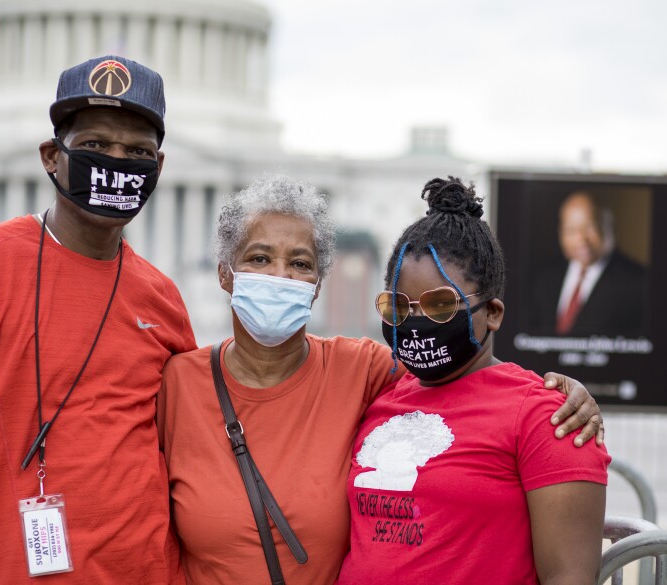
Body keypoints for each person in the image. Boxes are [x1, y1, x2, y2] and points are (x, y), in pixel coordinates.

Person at [157, 175, 606, 585]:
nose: (279, 276)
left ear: (317, 284)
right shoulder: (177, 383)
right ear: (224, 273)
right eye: (398, 308)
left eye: (299, 263)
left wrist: (566, 393)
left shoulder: (365, 371)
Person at [0, 56, 196, 584]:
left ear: (158, 169)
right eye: (96, 146)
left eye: (137, 152)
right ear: (53, 156)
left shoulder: (162, 297)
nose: (116, 163)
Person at [337, 177, 609, 584]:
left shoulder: (549, 415)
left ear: (493, 312)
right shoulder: (381, 397)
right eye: (398, 306)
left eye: (441, 305)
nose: (415, 321)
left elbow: (568, 577)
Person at [530, 190, 647, 336]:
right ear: (560, 232)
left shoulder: (639, 282)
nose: (581, 239)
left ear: (609, 226)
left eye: (590, 227)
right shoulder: (544, 278)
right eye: (571, 230)